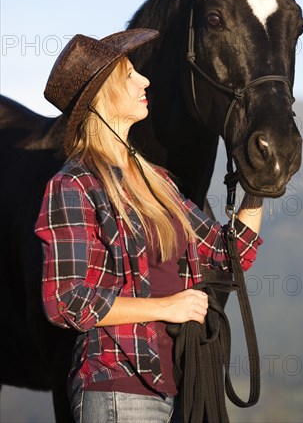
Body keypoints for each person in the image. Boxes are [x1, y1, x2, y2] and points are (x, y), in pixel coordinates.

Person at [35, 29, 264, 423]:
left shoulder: (159, 182)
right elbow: (66, 300)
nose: (145, 80)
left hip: (178, 386)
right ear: (101, 98)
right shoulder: (73, 185)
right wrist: (167, 307)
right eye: (129, 75)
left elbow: (231, 257)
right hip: (117, 388)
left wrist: (256, 186)